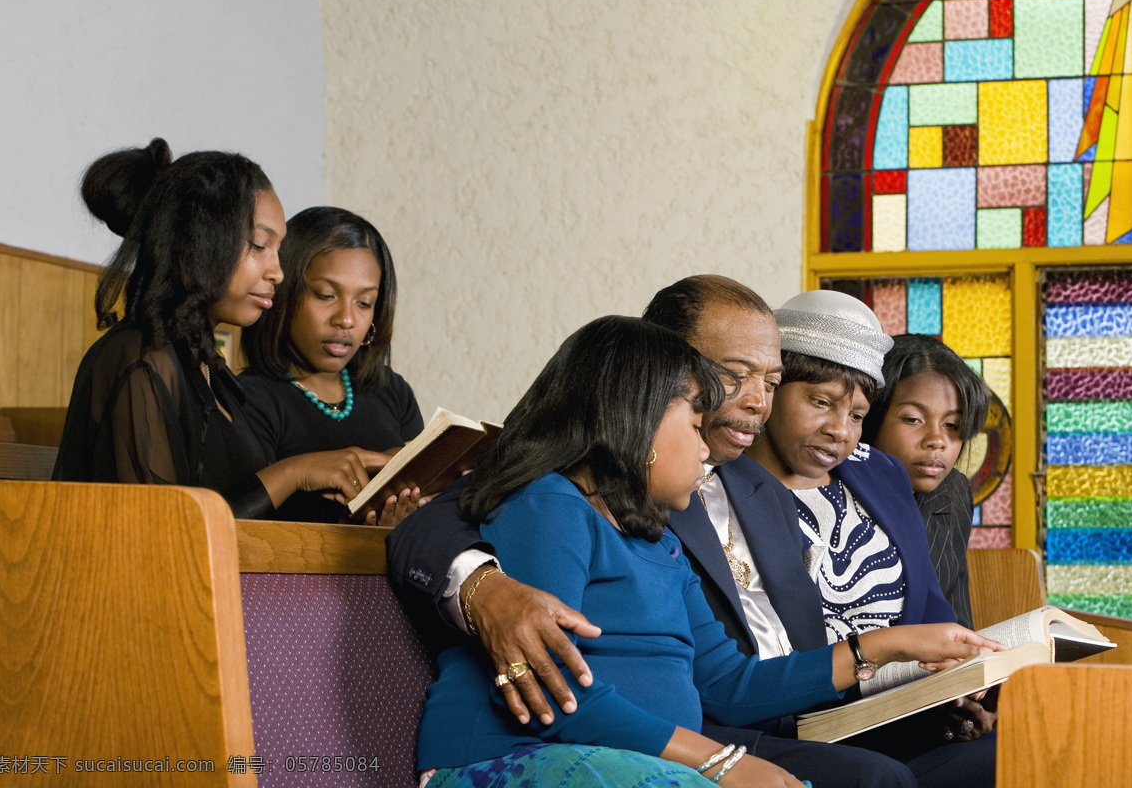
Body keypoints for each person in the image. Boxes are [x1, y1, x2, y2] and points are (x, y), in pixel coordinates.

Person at [389, 276, 982, 788]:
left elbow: (727, 678)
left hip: (725, 729)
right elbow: (444, 528)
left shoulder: (669, 525)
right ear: (648, 387)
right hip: (579, 748)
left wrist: (892, 647)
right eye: (731, 378)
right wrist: (481, 587)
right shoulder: (551, 497)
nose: (756, 403)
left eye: (771, 382)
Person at [54, 139, 388, 518]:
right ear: (201, 241)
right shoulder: (139, 360)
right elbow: (164, 536)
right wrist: (294, 472)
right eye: (259, 245)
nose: (277, 272)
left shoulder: (208, 369)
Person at [744, 291, 996, 783]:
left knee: (1034, 745)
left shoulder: (879, 470)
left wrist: (956, 684)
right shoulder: (723, 486)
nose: (840, 431)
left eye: (857, 415)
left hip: (898, 710)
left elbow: (932, 612)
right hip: (811, 717)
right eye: (821, 402)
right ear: (771, 390)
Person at [241, 206, 424, 524]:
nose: (346, 320)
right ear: (284, 292)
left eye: (364, 303)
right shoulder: (248, 398)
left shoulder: (391, 391)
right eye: (326, 295)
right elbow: (236, 528)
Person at [862, 334, 991, 630]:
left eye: (952, 425)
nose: (937, 441)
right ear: (870, 417)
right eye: (912, 419)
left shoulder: (954, 491)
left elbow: (957, 620)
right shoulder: (827, 488)